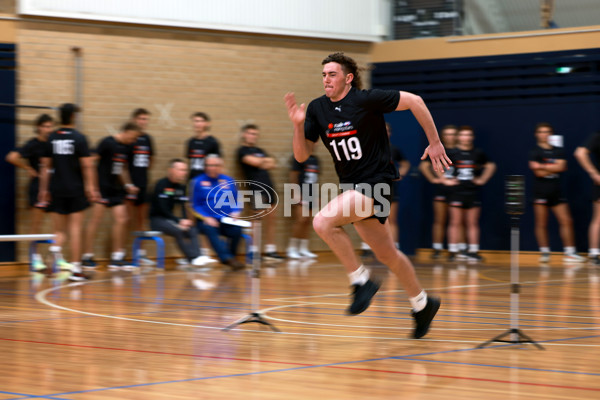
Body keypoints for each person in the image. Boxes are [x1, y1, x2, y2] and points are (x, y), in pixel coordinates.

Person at [284, 52, 450, 339]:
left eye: (332, 74)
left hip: (378, 184)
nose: (326, 79)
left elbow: (416, 101)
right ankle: (422, 303)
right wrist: (298, 125)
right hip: (352, 188)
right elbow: (301, 155)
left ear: (348, 78)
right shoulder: (316, 109)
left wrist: (435, 143)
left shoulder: (366, 99)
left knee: (322, 222)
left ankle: (360, 280)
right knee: (388, 255)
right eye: (323, 74)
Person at [38, 103, 98, 281]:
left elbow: (46, 167)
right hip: (75, 189)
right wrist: (91, 188)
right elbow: (87, 165)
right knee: (75, 229)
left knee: (59, 230)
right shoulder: (79, 138)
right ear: (73, 117)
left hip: (56, 188)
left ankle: (52, 258)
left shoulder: (51, 138)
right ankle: (76, 270)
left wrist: (43, 190)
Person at [81, 122, 141, 269]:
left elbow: (122, 168)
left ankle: (117, 257)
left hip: (115, 189)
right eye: (132, 138)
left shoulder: (126, 148)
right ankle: (86, 256)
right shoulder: (107, 143)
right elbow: (90, 162)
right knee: (95, 221)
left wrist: (128, 185)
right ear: (126, 131)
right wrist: (91, 186)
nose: (132, 142)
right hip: (101, 188)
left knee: (123, 219)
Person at [5, 114, 55, 271]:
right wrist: (27, 168)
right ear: (39, 127)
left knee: (57, 224)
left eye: (50, 126)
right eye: (45, 126)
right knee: (36, 224)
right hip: (37, 188)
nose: (48, 129)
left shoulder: (54, 143)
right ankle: (35, 258)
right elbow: (11, 157)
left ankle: (54, 257)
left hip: (54, 187)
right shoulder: (32, 145)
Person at [529, 123, 585, 263]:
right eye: (541, 132)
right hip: (540, 191)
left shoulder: (559, 150)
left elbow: (561, 166)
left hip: (556, 191)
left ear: (551, 134)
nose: (544, 134)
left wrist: (542, 166)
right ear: (537, 134)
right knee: (541, 223)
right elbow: (538, 172)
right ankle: (545, 253)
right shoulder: (534, 151)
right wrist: (553, 167)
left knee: (566, 221)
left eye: (547, 132)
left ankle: (570, 253)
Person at [446, 126, 496, 262]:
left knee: (472, 222)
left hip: (472, 191)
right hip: (456, 191)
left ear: (472, 137)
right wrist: (445, 180)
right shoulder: (453, 153)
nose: (466, 138)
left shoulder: (477, 153)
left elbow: (490, 165)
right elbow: (438, 165)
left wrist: (482, 179)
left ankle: (473, 250)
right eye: (463, 135)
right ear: (458, 137)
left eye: (468, 135)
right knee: (455, 221)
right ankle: (453, 250)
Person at [189, 155, 245, 271]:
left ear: (221, 166)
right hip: (207, 220)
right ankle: (227, 259)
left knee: (237, 230)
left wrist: (236, 212)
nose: (212, 168)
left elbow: (237, 201)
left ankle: (231, 257)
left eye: (215, 165)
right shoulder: (197, 182)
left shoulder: (229, 181)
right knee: (210, 229)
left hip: (226, 219)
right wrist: (206, 217)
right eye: (209, 165)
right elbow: (194, 205)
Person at [237, 124, 284, 261]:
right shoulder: (242, 150)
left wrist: (262, 161)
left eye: (255, 134)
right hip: (256, 188)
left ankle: (270, 250)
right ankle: (253, 251)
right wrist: (263, 162)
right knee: (256, 220)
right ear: (244, 135)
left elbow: (273, 163)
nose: (252, 136)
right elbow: (253, 162)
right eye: (250, 133)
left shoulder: (260, 150)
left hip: (269, 186)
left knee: (272, 219)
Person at [149, 158, 205, 267]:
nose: (184, 173)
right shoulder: (161, 184)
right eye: (181, 170)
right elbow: (162, 209)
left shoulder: (181, 188)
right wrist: (179, 221)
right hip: (157, 220)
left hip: (170, 219)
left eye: (185, 170)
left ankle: (197, 256)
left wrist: (186, 221)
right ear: (171, 170)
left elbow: (184, 207)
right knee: (178, 231)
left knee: (192, 229)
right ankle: (192, 258)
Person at [418, 125, 460, 259]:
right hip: (441, 189)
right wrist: (436, 179)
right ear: (443, 136)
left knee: (457, 221)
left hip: (458, 190)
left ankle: (458, 249)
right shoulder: (439, 149)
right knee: (439, 220)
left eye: (453, 134)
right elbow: (424, 165)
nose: (450, 137)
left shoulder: (461, 151)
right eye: (447, 134)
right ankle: (437, 248)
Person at [126, 108, 155, 264]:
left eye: (145, 119)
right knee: (126, 219)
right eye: (140, 118)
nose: (143, 122)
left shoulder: (148, 139)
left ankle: (140, 253)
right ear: (134, 120)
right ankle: (122, 252)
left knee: (141, 220)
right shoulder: (129, 139)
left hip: (143, 183)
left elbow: (151, 160)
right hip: (130, 186)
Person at [574, 130, 600, 265]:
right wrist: (593, 173)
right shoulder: (597, 137)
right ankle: (594, 254)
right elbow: (580, 153)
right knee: (598, 218)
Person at [286, 154, 320, 259]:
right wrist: (296, 193)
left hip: (312, 193)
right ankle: (292, 248)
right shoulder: (298, 157)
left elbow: (316, 179)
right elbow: (294, 175)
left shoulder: (315, 159)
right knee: (300, 220)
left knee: (308, 221)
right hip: (301, 192)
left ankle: (303, 248)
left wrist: (317, 195)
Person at [186, 112, 221, 181]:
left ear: (207, 123)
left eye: (200, 121)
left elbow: (218, 164)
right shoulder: (190, 142)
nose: (197, 124)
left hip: (207, 180)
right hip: (193, 180)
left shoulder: (212, 142)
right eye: (195, 121)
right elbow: (189, 162)